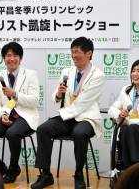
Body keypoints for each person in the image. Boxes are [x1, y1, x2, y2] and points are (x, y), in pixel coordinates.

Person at [31, 37, 105, 189]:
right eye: (72, 52)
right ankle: (45, 174)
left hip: (87, 117)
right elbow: (55, 98)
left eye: (77, 52)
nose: (74, 56)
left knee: (79, 133)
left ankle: (79, 174)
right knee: (43, 129)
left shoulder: (98, 75)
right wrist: (58, 94)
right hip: (67, 116)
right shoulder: (67, 71)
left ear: (89, 53)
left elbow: (83, 102)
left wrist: (62, 114)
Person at [0, 42, 39, 183]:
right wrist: (2, 114)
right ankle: (0, 166)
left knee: (12, 133)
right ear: (3, 58)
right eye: (8, 55)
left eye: (15, 55)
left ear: (20, 58)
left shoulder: (31, 74)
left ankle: (14, 168)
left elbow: (34, 101)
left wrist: (15, 94)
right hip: (6, 114)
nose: (11, 58)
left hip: (25, 115)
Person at [108, 59, 139, 170]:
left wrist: (129, 120)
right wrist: (120, 113)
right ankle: (132, 169)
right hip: (128, 131)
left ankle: (130, 169)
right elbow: (111, 109)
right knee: (126, 130)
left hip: (135, 129)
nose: (135, 74)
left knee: (130, 128)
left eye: (138, 71)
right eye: (133, 70)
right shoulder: (126, 90)